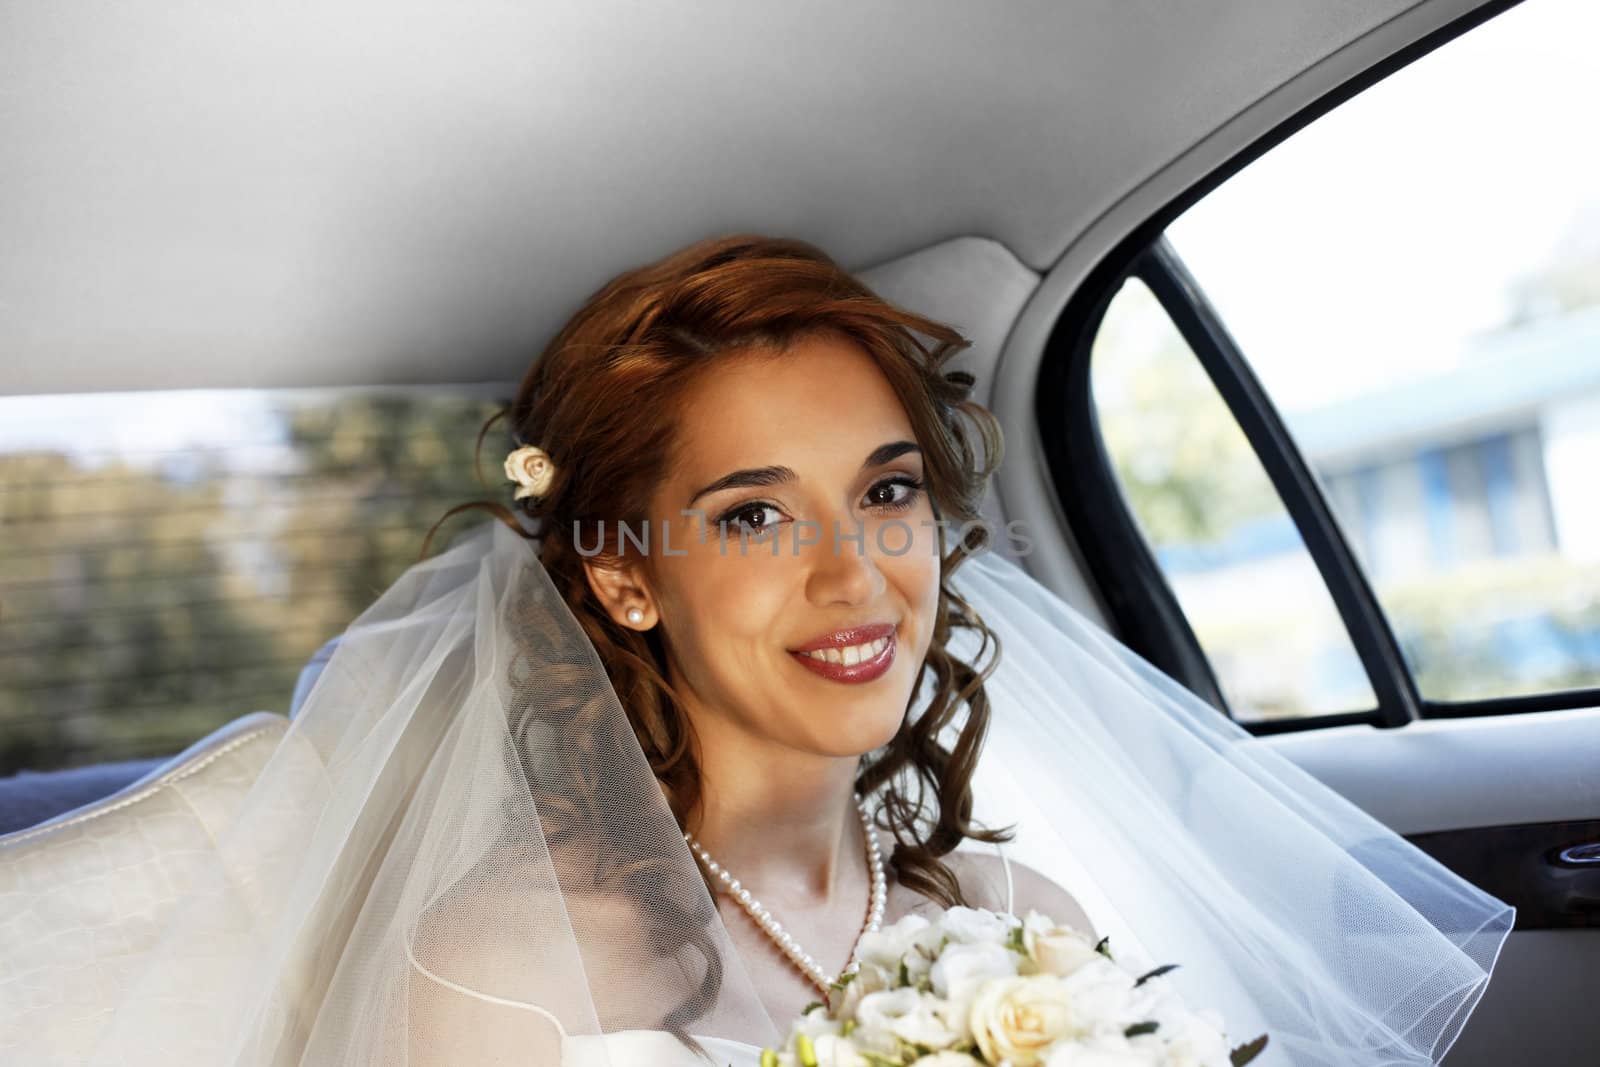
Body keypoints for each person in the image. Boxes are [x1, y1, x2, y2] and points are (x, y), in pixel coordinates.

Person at [0, 235, 1512, 1067]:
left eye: (888, 491)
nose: (854, 576)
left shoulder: (1024, 911)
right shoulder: (508, 970)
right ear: (624, 574)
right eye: (750, 518)